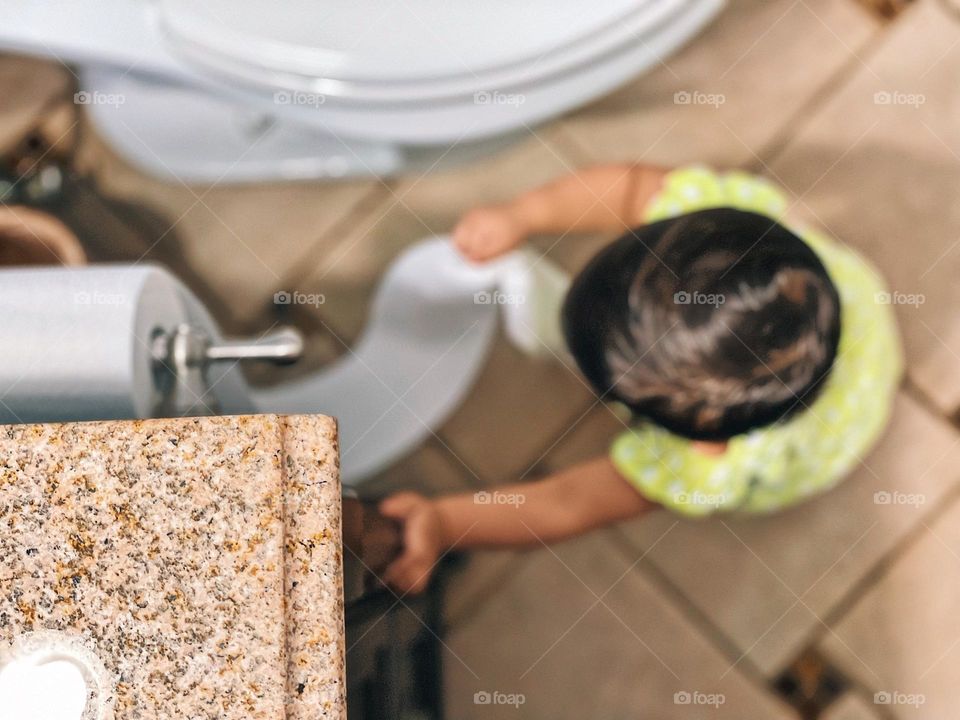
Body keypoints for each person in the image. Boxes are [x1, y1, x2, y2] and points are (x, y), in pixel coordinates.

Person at [379, 164, 902, 594]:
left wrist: (447, 523)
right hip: (864, 328)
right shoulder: (754, 244)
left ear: (705, 440)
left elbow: (566, 503)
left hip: (819, 451)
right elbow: (630, 189)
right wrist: (522, 215)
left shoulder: (698, 466)